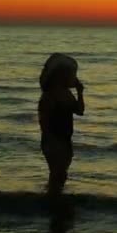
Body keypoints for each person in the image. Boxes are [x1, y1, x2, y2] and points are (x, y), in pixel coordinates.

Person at [38, 53, 85, 195]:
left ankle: (54, 199)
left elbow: (79, 111)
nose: (74, 77)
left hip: (64, 140)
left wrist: (80, 92)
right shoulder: (50, 95)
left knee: (60, 175)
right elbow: (44, 121)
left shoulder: (66, 94)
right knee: (58, 175)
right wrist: (51, 142)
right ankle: (53, 202)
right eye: (72, 74)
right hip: (54, 140)